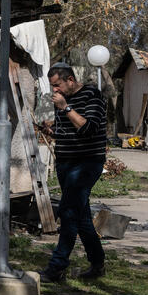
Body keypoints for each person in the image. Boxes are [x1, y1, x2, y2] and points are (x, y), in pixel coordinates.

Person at [37, 62, 107, 282]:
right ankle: (97, 264)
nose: (54, 90)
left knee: (67, 212)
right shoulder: (63, 102)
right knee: (81, 216)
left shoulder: (92, 95)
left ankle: (57, 267)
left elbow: (88, 129)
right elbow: (69, 132)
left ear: (70, 79)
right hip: (65, 162)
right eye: (52, 86)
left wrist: (66, 108)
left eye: (57, 85)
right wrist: (50, 130)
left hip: (86, 163)